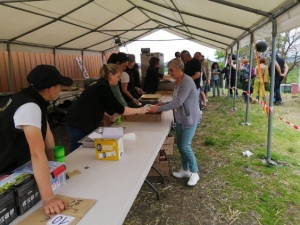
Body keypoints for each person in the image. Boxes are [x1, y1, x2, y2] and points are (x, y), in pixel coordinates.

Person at [0, 65, 73, 214]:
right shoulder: (29, 106)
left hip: (15, 162)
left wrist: (54, 168)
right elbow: (37, 153)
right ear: (51, 89)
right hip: (4, 167)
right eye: (60, 87)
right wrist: (48, 198)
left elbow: (47, 135)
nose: (61, 90)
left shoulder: (34, 99)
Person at [66, 64, 148, 152]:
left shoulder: (102, 86)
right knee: (77, 151)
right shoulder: (102, 88)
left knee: (83, 150)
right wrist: (140, 110)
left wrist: (109, 117)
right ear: (111, 75)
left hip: (83, 121)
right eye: (117, 77)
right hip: (78, 122)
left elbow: (98, 105)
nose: (119, 79)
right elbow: (120, 109)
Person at [148, 58, 201, 186]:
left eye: (171, 70)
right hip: (180, 117)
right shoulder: (177, 81)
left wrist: (158, 108)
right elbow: (176, 100)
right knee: (180, 146)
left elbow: (178, 102)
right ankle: (186, 170)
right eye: (169, 70)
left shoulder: (187, 81)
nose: (169, 72)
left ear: (179, 69)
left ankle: (195, 172)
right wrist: (163, 103)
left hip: (189, 118)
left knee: (185, 145)